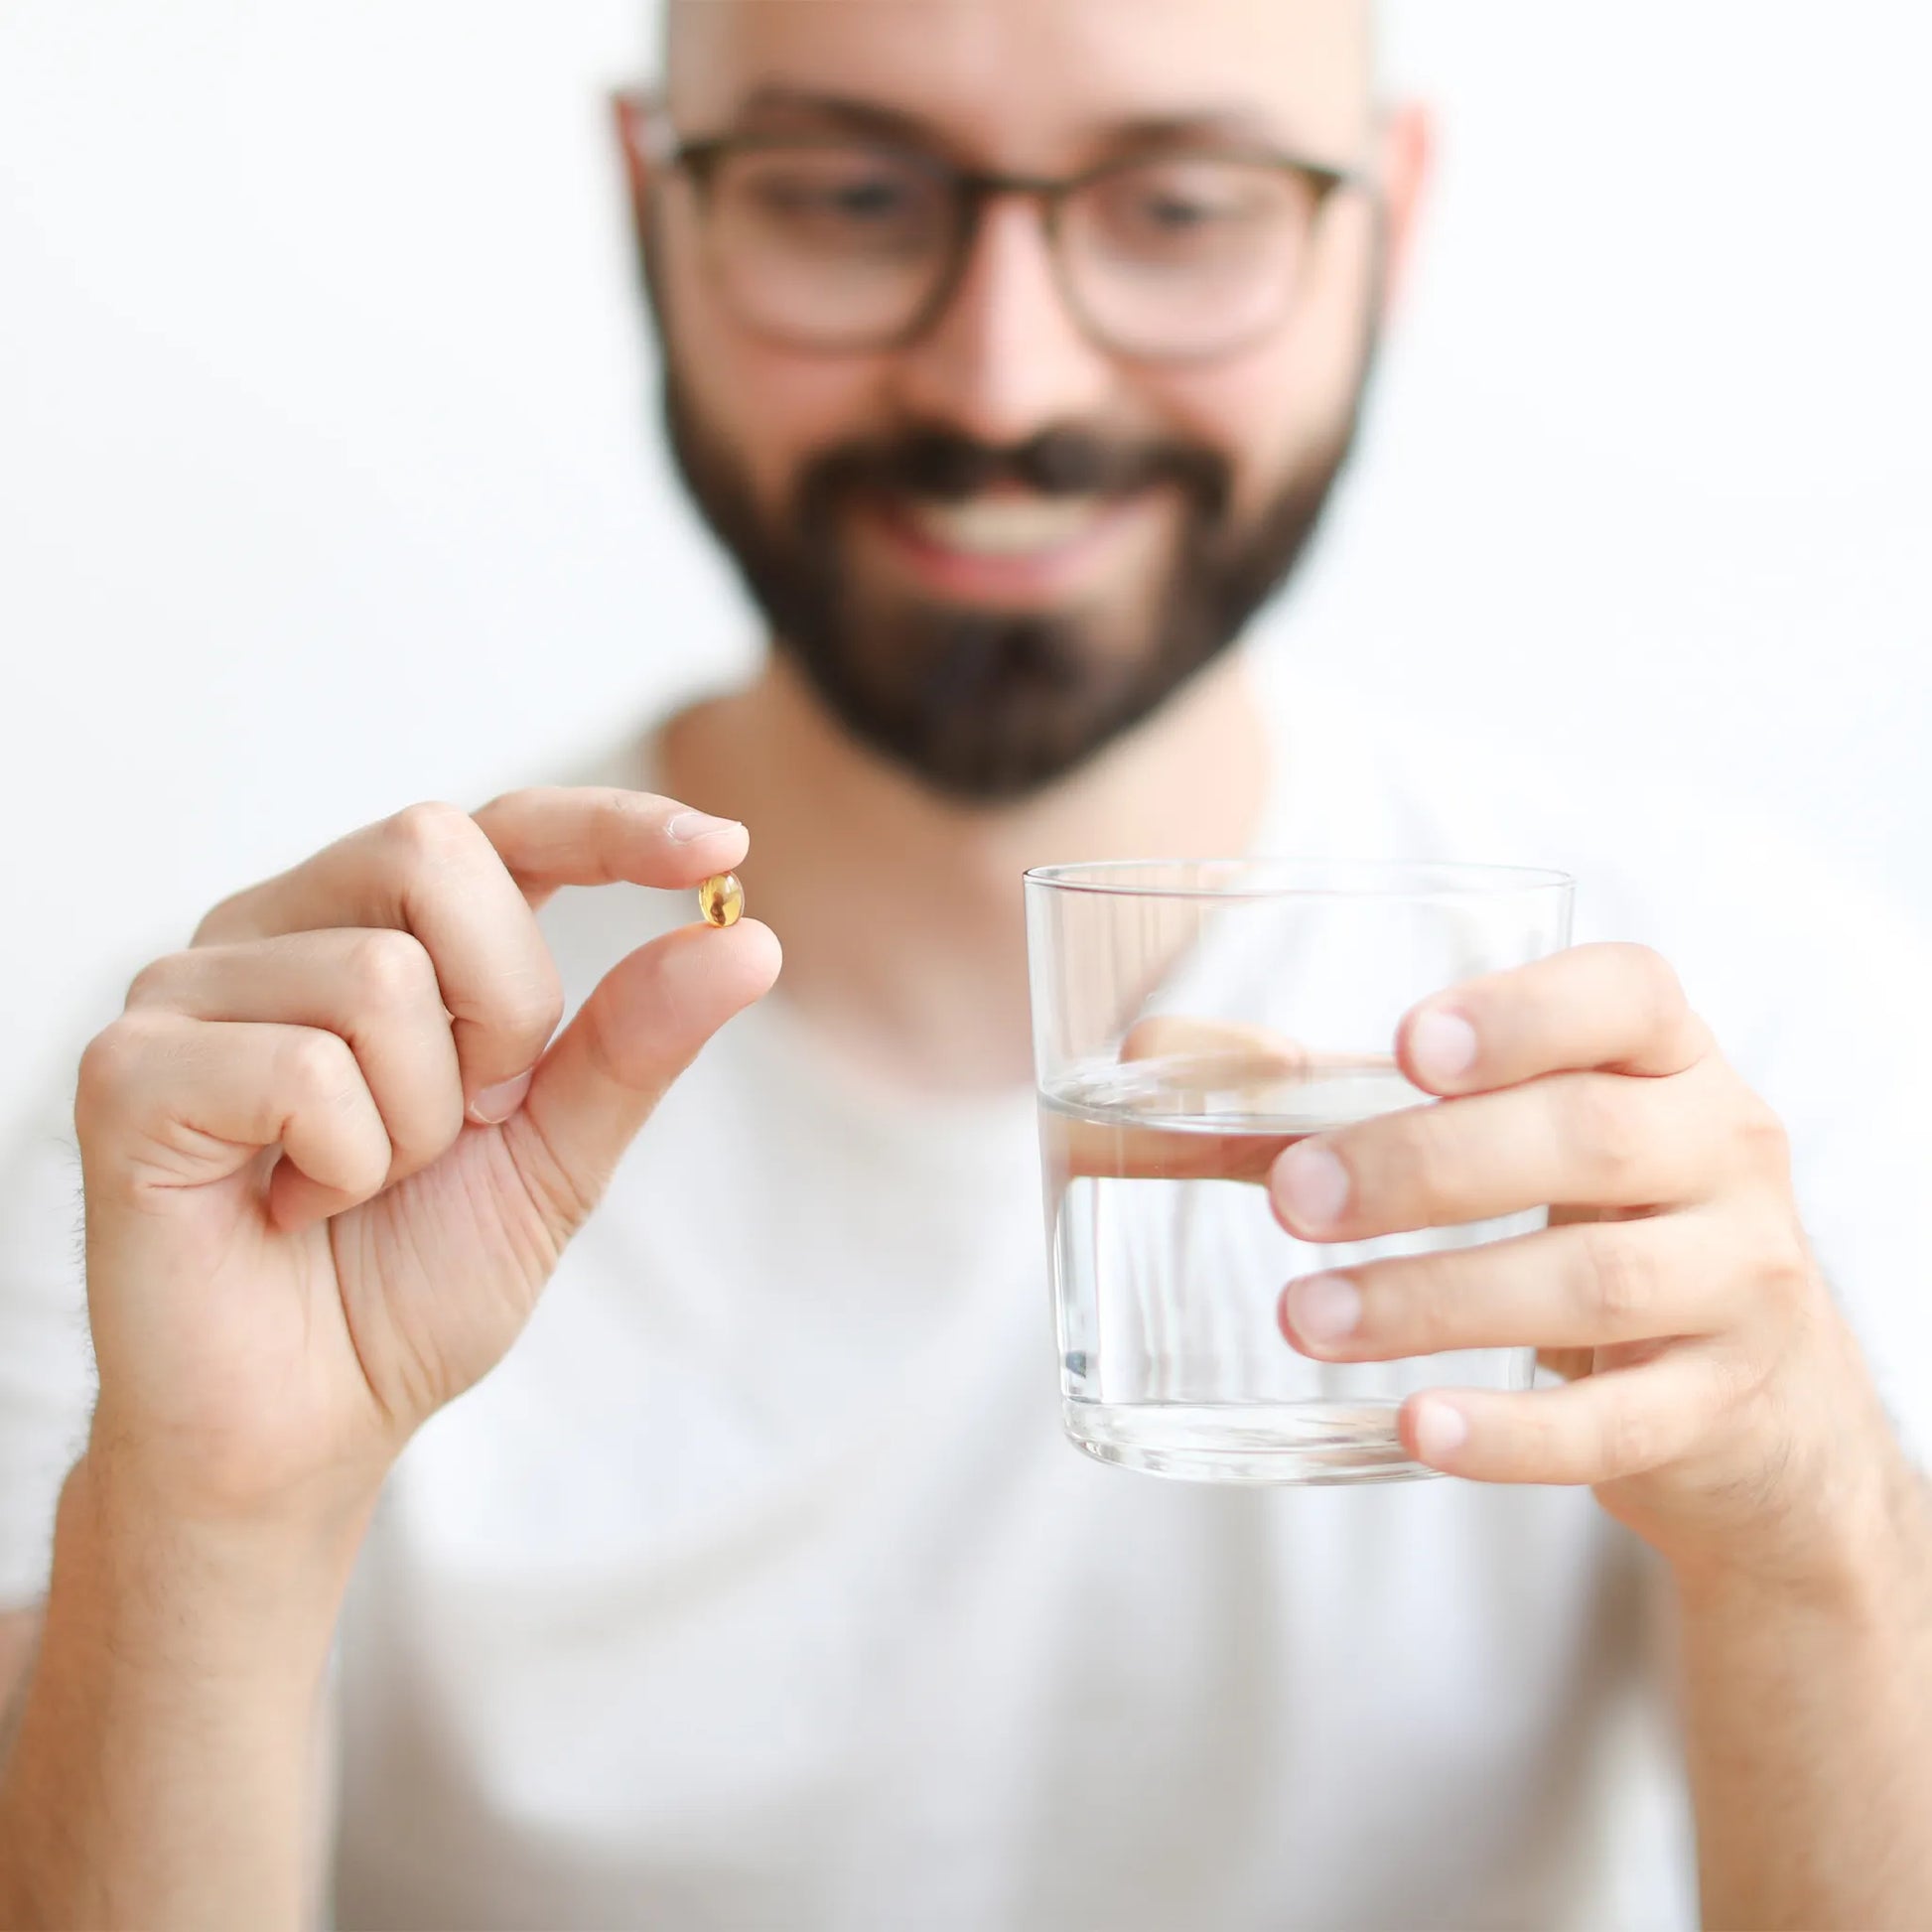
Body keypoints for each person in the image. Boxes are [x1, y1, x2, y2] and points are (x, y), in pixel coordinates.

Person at [2, 0, 1929, 1924]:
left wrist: (1807, 1528)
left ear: (1382, 225)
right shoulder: (261, 1131)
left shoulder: (1743, 1039)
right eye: (849, 195)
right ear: (652, 212)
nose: (1003, 379)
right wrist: (208, 1537)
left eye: (1179, 206)